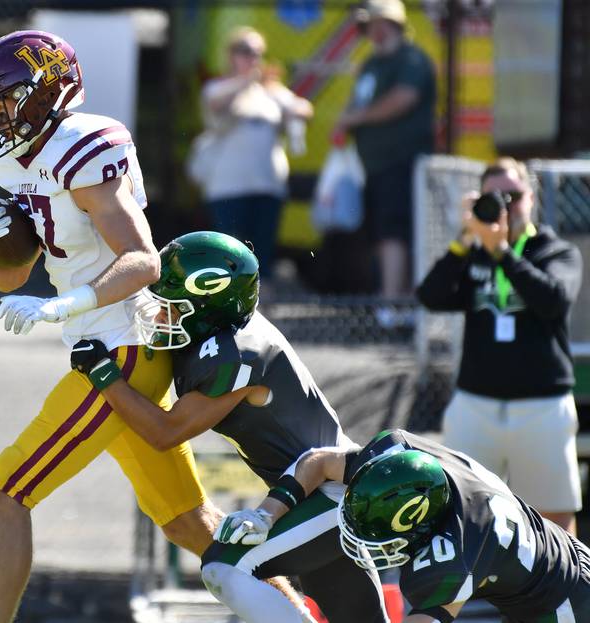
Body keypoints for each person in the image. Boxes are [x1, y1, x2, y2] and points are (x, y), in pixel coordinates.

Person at [0, 31, 223, 623]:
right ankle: (307, 608)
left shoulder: (82, 147)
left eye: (5, 100)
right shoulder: (17, 158)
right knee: (191, 526)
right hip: (105, 344)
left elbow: (143, 260)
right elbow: (14, 279)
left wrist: (63, 306)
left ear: (46, 91)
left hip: (121, 348)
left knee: (5, 492)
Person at [69, 231, 390, 623]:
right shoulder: (229, 328)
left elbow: (164, 432)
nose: (161, 316)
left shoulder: (235, 355)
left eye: (173, 307)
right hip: (319, 490)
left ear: (209, 304)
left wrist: (105, 375)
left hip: (327, 494)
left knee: (225, 568)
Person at [228, 428, 590, 622]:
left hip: (563, 605)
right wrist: (268, 512)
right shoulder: (400, 455)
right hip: (559, 559)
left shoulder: (449, 557)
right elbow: (319, 461)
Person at [416, 157, 583, 535]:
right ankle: (468, 591)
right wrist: (464, 239)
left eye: (513, 195)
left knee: (553, 516)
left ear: (533, 197)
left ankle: (568, 591)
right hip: (477, 402)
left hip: (542, 404)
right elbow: (431, 295)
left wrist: (504, 253)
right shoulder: (472, 252)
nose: (505, 205)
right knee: (460, 508)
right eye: (493, 197)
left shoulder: (555, 251)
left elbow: (553, 299)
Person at [332, 0, 436, 308]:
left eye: (380, 24)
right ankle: (390, 300)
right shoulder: (371, 65)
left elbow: (403, 99)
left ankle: (393, 303)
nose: (374, 31)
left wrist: (357, 118)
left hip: (402, 162)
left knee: (395, 232)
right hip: (373, 166)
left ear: (395, 25)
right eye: (370, 26)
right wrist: (343, 122)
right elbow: (357, 103)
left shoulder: (411, 59)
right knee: (380, 233)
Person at [195, 26, 313, 284]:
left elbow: (304, 109)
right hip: (228, 188)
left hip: (268, 185)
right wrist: (247, 81)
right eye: (245, 51)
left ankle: (262, 308)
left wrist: (282, 96)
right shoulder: (218, 87)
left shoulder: (270, 91)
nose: (252, 59)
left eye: (258, 53)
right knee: (231, 256)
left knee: (262, 256)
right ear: (231, 54)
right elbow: (214, 104)